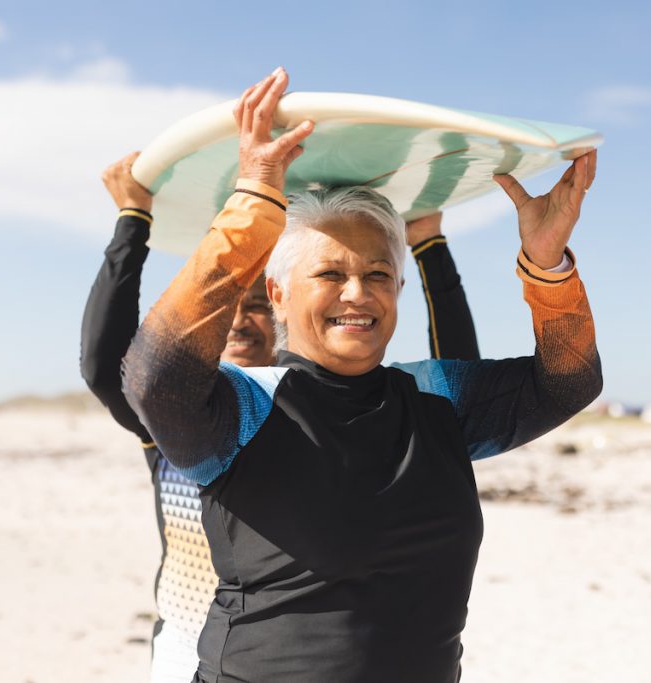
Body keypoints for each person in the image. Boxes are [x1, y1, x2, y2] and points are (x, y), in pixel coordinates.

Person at [123, 67, 601, 683]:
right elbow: (152, 379)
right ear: (278, 291)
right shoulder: (245, 406)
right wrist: (251, 212)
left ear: (398, 289)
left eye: (378, 274)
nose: (358, 293)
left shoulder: (437, 398)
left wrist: (547, 268)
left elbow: (568, 383)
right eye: (329, 274)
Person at [81, 146, 482, 680]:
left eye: (257, 307)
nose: (242, 322)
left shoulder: (289, 415)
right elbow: (105, 367)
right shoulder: (188, 418)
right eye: (230, 308)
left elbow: (457, 389)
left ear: (282, 305)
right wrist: (132, 221)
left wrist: (428, 245)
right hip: (184, 652)